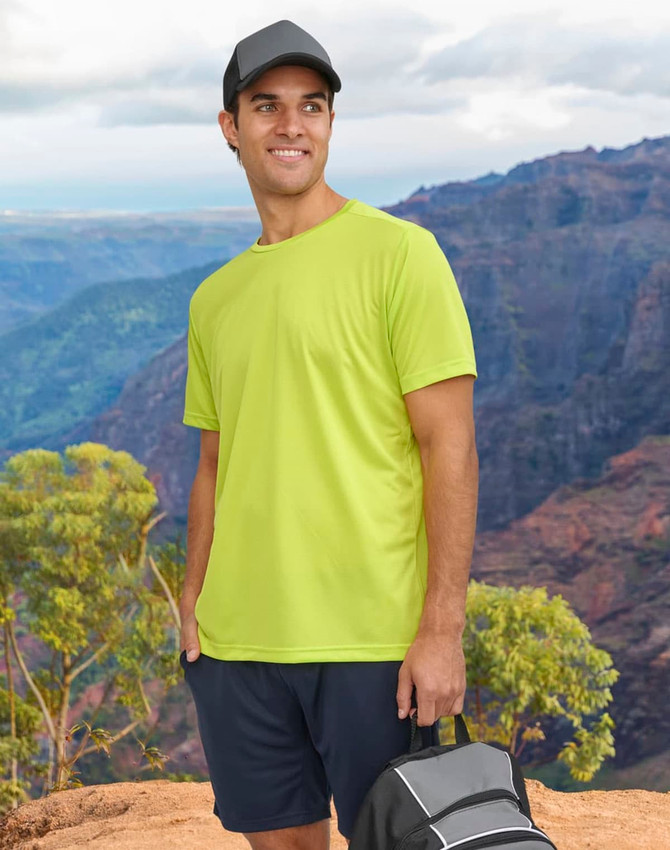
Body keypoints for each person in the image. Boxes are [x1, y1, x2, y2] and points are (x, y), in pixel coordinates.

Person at [178, 18, 479, 850]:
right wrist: (195, 600)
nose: (292, 125)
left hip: (372, 643)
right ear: (230, 129)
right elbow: (212, 461)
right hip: (238, 647)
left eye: (312, 106)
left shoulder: (401, 256)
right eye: (266, 106)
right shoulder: (215, 297)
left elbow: (447, 446)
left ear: (331, 124)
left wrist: (441, 627)